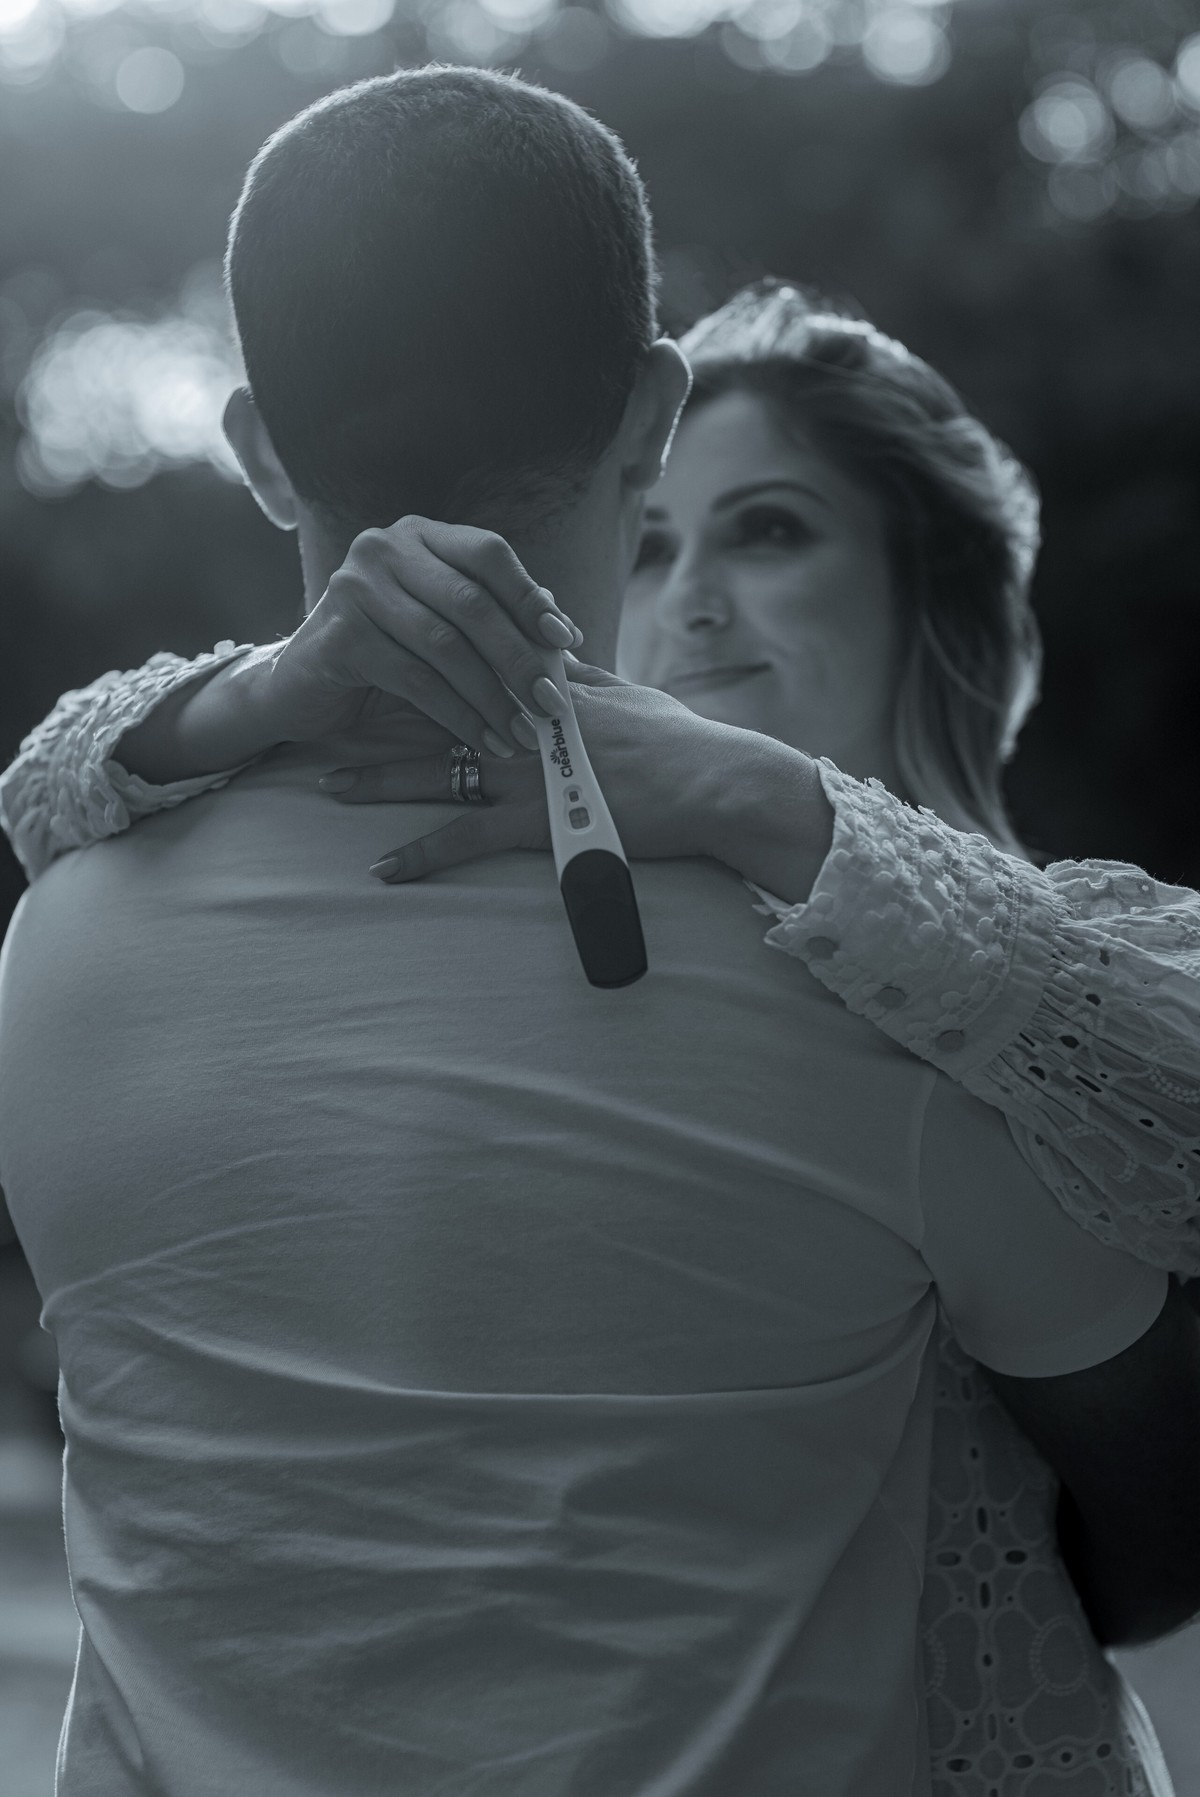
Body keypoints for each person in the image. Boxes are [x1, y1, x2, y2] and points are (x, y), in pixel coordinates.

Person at [0, 71, 1197, 1797]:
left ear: (257, 449)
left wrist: (243, 704)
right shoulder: (878, 996)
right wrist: (798, 813)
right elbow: (1159, 1528)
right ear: (653, 412)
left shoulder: (57, 950)